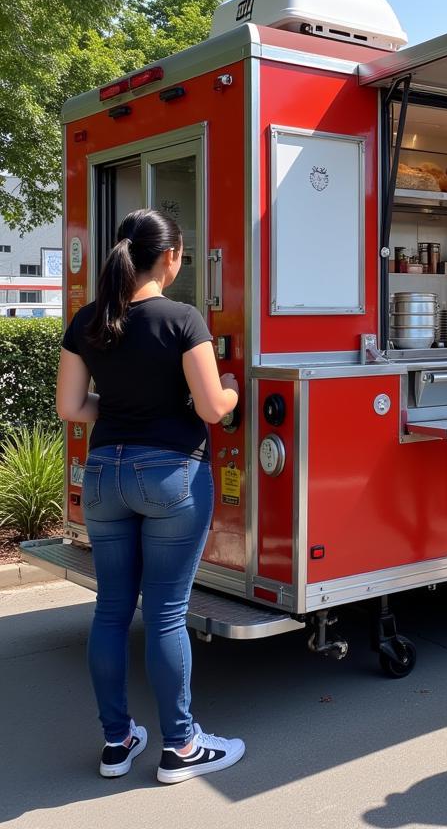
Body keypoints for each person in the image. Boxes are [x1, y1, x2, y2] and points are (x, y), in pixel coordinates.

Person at [55, 209, 245, 783]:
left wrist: (112, 413)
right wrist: (232, 393)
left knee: (111, 610)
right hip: (170, 478)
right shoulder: (183, 319)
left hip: (104, 477)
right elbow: (212, 408)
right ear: (171, 258)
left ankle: (117, 742)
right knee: (164, 615)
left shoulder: (88, 320)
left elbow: (71, 408)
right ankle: (181, 748)